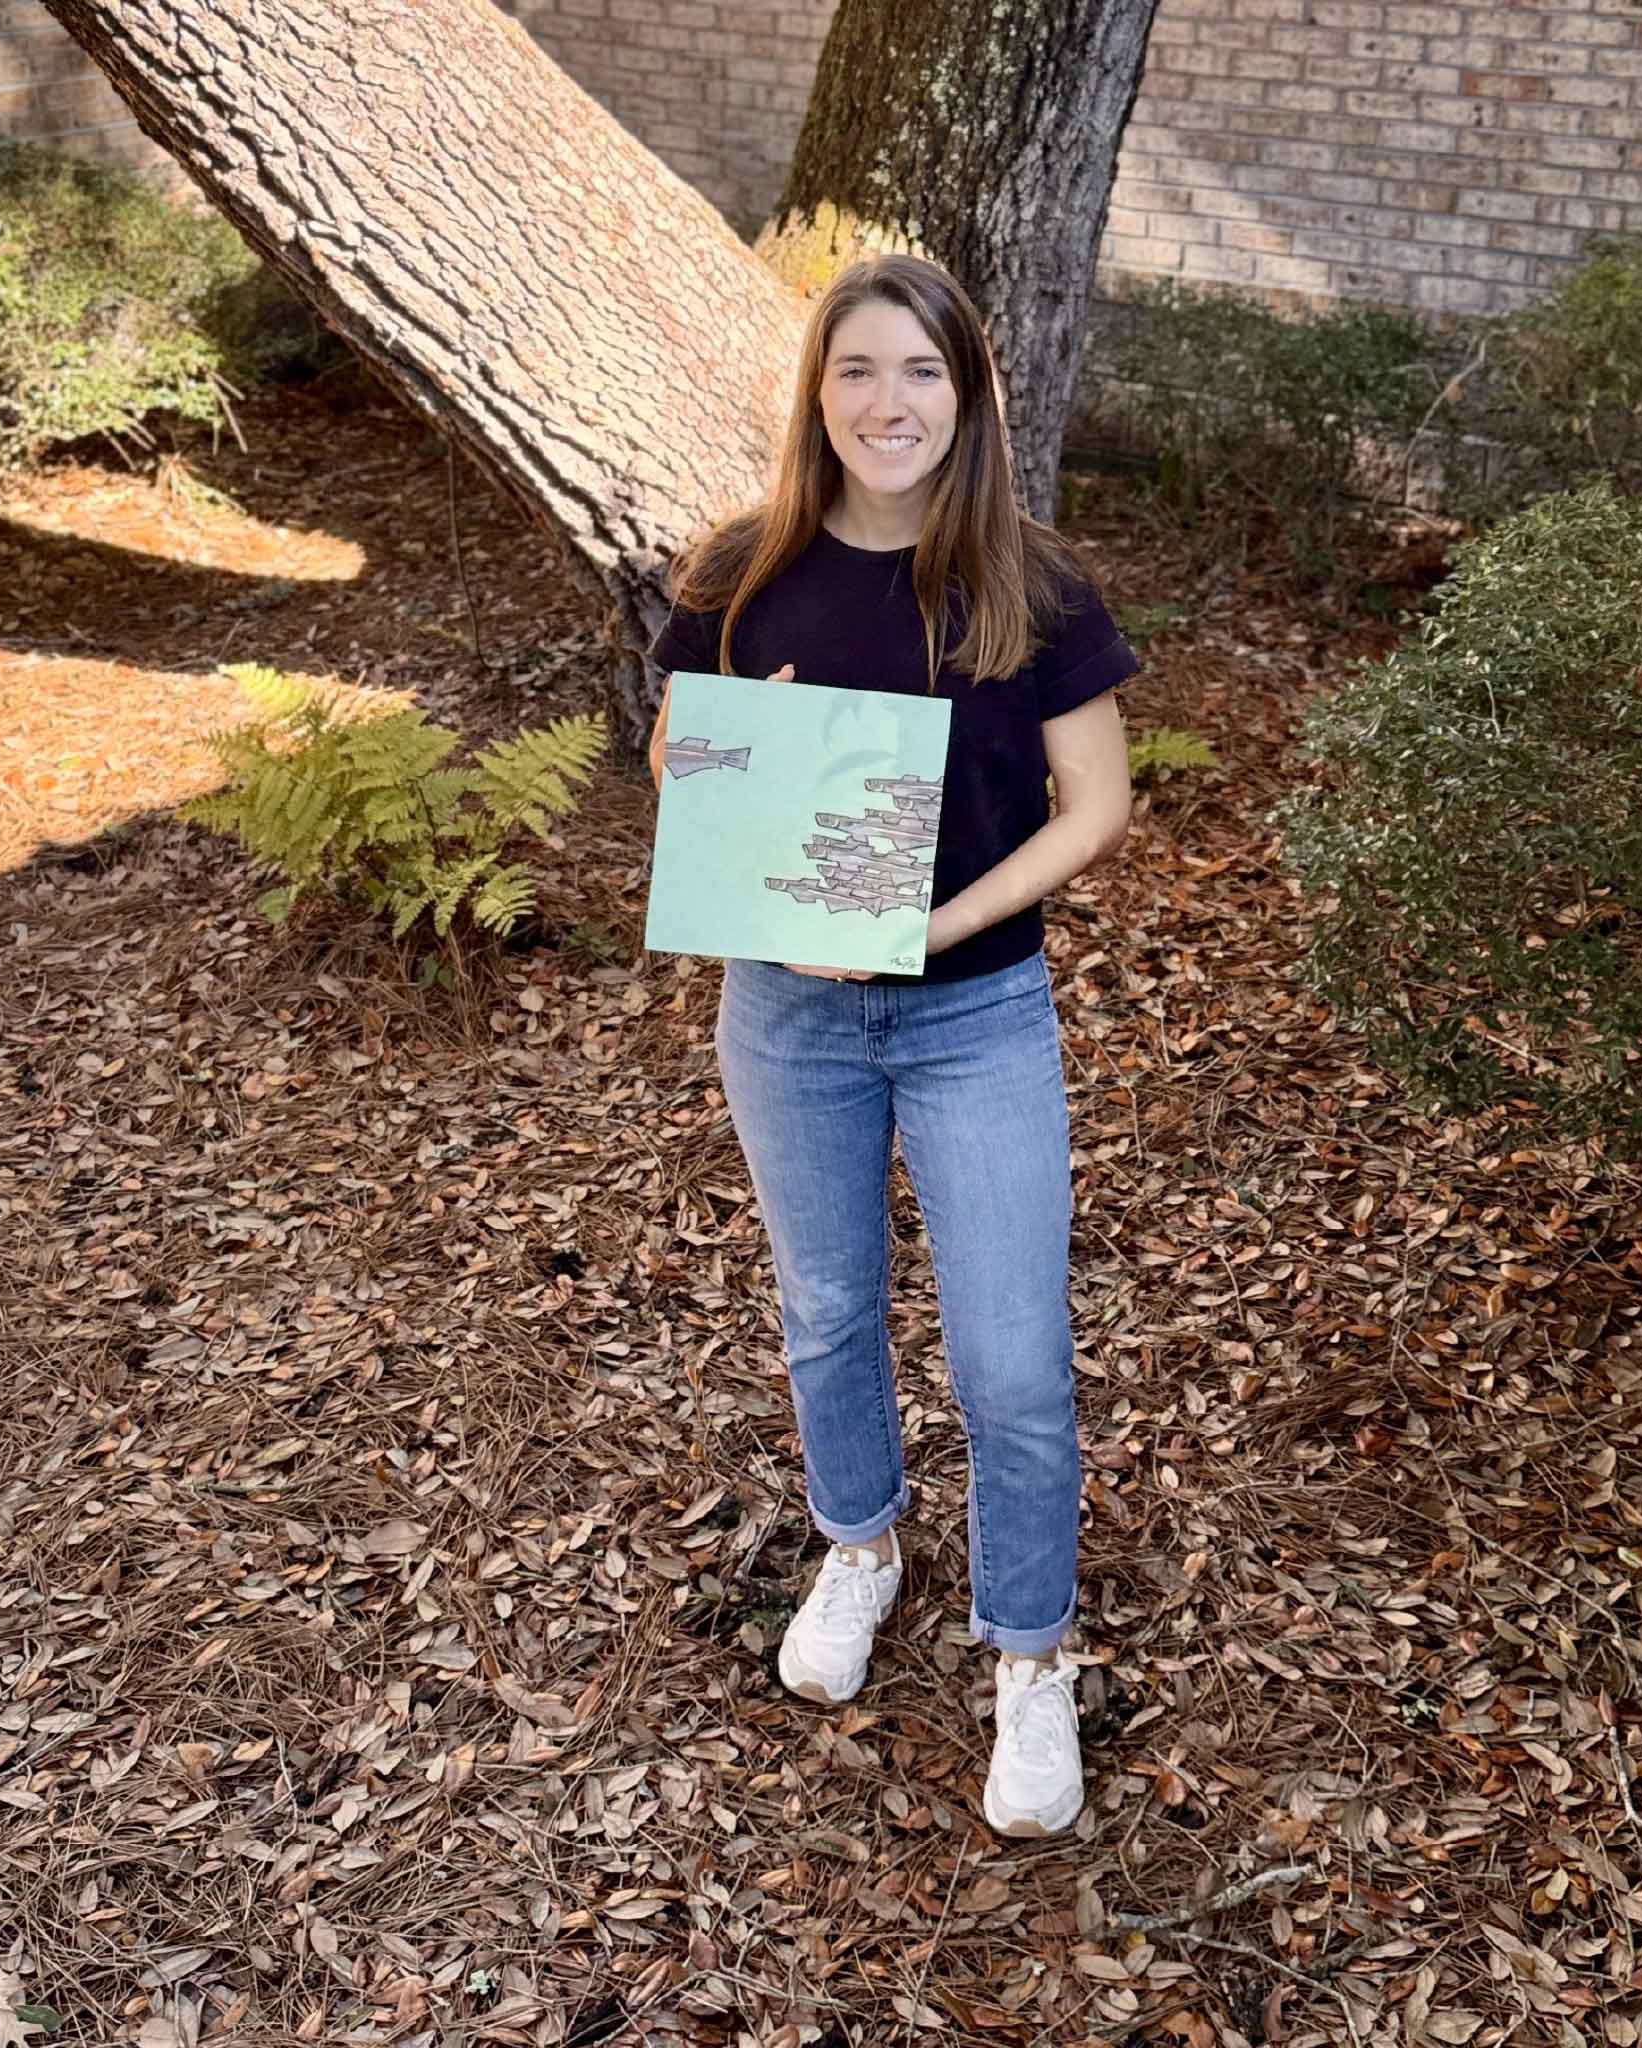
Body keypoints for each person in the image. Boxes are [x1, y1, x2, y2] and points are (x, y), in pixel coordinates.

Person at [646, 254, 1136, 1838]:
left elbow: (1101, 809)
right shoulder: (741, 570)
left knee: (1013, 1360)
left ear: (968, 395)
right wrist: (728, 743)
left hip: (974, 1012)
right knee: (829, 1308)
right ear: (818, 392)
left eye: (919, 372)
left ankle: (1031, 1651)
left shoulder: (1035, 587)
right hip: (787, 1018)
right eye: (856, 369)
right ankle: (860, 1544)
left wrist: (932, 931)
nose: (887, 403)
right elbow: (673, 756)